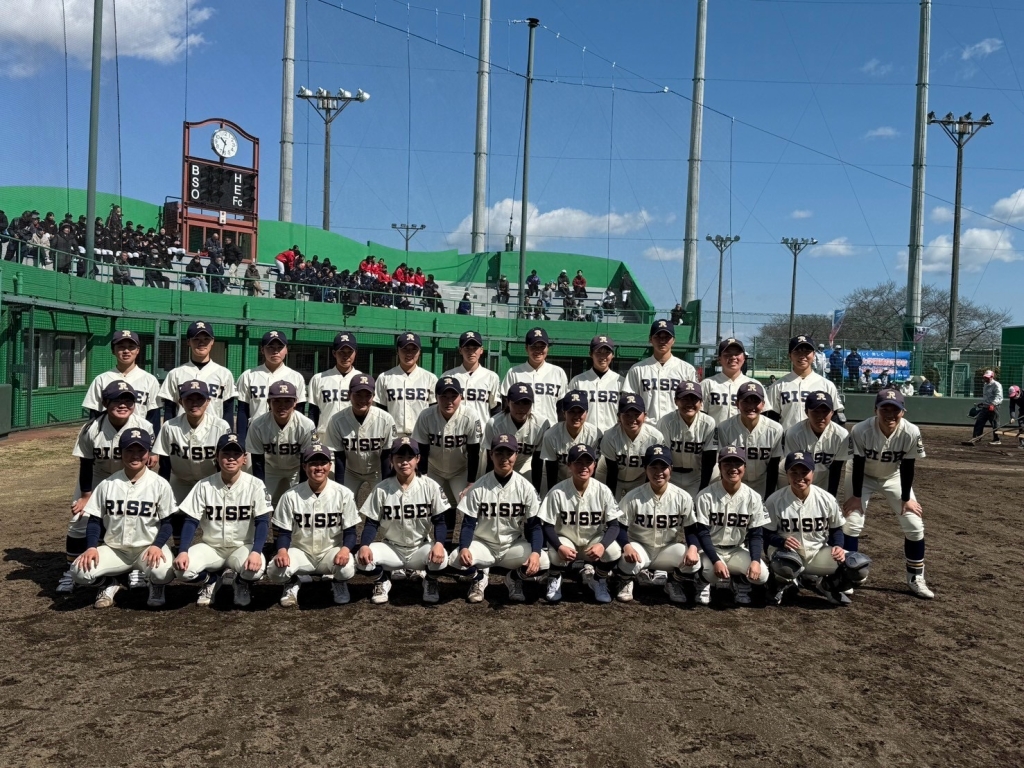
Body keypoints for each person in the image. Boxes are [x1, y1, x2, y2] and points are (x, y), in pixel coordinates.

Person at [59, 382, 154, 594]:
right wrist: (86, 496)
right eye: (117, 400)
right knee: (79, 520)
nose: (123, 405)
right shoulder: (91, 428)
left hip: (129, 477)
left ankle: (135, 568)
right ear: (105, 402)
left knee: (134, 518)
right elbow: (85, 463)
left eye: (128, 400)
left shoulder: (144, 426)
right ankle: (71, 571)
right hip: (97, 477)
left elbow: (146, 459)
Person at [69, 429, 176, 609]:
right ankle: (109, 583)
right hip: (115, 549)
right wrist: (91, 547)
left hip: (147, 548)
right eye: (129, 450)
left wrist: (157, 545)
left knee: (163, 572)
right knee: (79, 572)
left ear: (148, 453)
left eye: (140, 450)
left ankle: (156, 585)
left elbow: (168, 522)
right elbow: (94, 521)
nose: (135, 455)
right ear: (120, 452)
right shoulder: (107, 484)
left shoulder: (160, 484)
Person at [843, 389, 932, 599]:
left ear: (903, 412)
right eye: (885, 409)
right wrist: (856, 497)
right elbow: (858, 464)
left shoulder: (911, 431)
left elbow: (908, 466)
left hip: (894, 476)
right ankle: (849, 574)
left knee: (914, 524)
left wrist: (906, 499)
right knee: (852, 521)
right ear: (876, 410)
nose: (890, 414)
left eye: (895, 410)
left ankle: (915, 577)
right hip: (862, 476)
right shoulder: (861, 429)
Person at [174, 433, 273, 608]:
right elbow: (191, 521)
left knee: (255, 570)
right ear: (217, 456)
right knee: (182, 571)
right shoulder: (203, 485)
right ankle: (211, 580)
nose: (231, 458)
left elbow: (263, 521)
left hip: (242, 546)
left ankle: (241, 583)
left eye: (236, 454)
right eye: (226, 454)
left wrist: (256, 551)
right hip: (211, 547)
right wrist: (183, 551)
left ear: (244, 458)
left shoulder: (255, 485)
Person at [448, 433, 548, 603]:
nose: (504, 458)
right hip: (483, 544)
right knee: (454, 559)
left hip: (512, 545)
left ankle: (514, 578)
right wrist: (464, 547)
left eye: (509, 453)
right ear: (491, 455)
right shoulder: (479, 486)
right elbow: (468, 524)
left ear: (516, 455)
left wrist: (535, 553)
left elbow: (535, 526)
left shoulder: (526, 487)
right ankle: (479, 578)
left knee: (543, 560)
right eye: (499, 453)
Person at [765, 452, 869, 606]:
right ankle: (777, 585)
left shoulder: (826, 498)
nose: (799, 477)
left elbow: (836, 529)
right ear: (786, 474)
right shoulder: (775, 500)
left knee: (858, 568)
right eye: (794, 472)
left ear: (813, 473)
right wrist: (781, 541)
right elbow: (766, 533)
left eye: (804, 472)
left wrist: (838, 546)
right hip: (786, 554)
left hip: (817, 552)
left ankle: (828, 586)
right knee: (785, 565)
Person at [355, 437, 450, 605]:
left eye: (409, 457)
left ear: (418, 459)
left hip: (420, 546)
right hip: (391, 548)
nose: (404, 462)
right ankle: (382, 581)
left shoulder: (430, 486)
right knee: (361, 559)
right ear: (391, 460)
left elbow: (440, 522)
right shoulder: (382, 488)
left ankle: (430, 581)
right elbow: (371, 523)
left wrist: (439, 543)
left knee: (442, 559)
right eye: (399, 457)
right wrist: (364, 545)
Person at [267, 443, 361, 607]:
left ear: (330, 466)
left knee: (346, 568)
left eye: (323, 463)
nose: (318, 468)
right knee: (275, 570)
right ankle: (291, 582)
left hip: (330, 552)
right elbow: (284, 532)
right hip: (300, 551)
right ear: (304, 466)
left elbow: (350, 531)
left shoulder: (343, 493)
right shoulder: (290, 496)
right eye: (313, 463)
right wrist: (282, 551)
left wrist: (345, 550)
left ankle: (339, 582)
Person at [614, 444, 700, 604]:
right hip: (640, 547)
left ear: (671, 469)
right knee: (626, 558)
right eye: (653, 467)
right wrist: (627, 546)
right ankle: (626, 580)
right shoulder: (633, 496)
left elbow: (691, 529)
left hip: (667, 548)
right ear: (645, 469)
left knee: (694, 563)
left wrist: (693, 548)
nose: (658, 472)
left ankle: (673, 582)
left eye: (663, 467)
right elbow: (620, 527)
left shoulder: (683, 497)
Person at [538, 443, 623, 604]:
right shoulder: (557, 491)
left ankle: (599, 579)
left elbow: (614, 525)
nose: (584, 467)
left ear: (594, 465)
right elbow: (547, 525)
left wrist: (602, 545)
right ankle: (555, 577)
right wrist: (559, 546)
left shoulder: (603, 490)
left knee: (614, 551)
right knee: (555, 553)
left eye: (588, 462)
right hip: (566, 540)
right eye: (578, 462)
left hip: (592, 541)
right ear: (569, 465)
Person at [689, 446, 769, 606]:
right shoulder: (705, 496)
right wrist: (715, 560)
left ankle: (739, 581)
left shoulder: (753, 497)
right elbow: (702, 533)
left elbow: (756, 534)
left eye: (737, 464)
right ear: (719, 467)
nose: (733, 468)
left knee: (762, 576)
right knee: (711, 573)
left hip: (736, 549)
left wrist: (755, 560)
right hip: (710, 549)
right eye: (727, 464)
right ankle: (702, 582)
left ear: (744, 467)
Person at [412, 376, 483, 522]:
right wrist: (423, 478)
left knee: (468, 507)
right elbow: (422, 451)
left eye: (453, 396)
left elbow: (474, 453)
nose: (449, 401)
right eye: (444, 396)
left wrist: (471, 483)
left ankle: (470, 537)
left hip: (460, 470)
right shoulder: (426, 416)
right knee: (423, 507)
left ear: (461, 397)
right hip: (433, 469)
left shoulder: (470, 416)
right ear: (436, 397)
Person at [152, 380, 230, 504]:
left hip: (211, 481)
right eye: (189, 399)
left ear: (208, 401)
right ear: (180, 402)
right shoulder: (169, 427)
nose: (194, 404)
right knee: (170, 512)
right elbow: (164, 464)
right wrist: (163, 492)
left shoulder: (221, 426)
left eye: (199, 399)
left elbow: (224, 462)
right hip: (180, 481)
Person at [704, 381, 783, 500]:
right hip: (734, 483)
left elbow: (773, 466)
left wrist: (768, 497)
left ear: (763, 404)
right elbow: (724, 465)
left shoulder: (775, 429)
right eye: (746, 401)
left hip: (763, 483)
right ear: (737, 403)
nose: (750, 406)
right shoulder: (725, 427)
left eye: (755, 401)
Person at [326, 375, 397, 500]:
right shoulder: (337, 420)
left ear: (373, 396)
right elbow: (339, 456)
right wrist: (340, 487)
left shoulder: (385, 419)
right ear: (349, 395)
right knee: (343, 501)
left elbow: (387, 455)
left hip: (377, 470)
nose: (363, 400)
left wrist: (386, 483)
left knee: (384, 501)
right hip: (350, 471)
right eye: (358, 395)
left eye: (367, 395)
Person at [245, 381, 317, 506]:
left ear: (295, 403)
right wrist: (260, 489)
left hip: (296, 468)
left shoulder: (306, 424)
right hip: (269, 468)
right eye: (277, 401)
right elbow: (257, 461)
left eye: (287, 401)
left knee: (301, 502)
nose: (282, 406)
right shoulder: (258, 425)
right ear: (269, 403)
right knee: (260, 502)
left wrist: (303, 488)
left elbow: (307, 459)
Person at [82, 329, 162, 435]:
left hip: (138, 439)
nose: (126, 351)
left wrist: (152, 443)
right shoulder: (101, 380)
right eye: (121, 347)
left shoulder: (150, 380)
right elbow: (94, 417)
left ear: (138, 350)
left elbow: (154, 417)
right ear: (113, 350)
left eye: (131, 347)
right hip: (107, 437)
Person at [234, 330, 307, 444]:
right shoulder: (248, 376)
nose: (275, 351)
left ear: (286, 350)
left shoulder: (296, 377)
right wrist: (242, 441)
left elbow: (299, 411)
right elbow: (242, 411)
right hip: (255, 435)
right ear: (262, 350)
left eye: (280, 347)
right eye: (270, 347)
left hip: (287, 436)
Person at [157, 321, 237, 423]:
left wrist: (227, 433)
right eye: (196, 339)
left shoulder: (224, 374)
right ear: (188, 342)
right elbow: (169, 411)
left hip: (214, 430)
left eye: (206, 339)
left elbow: (228, 412)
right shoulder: (175, 374)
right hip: (182, 430)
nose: (201, 343)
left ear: (212, 341)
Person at [622, 319, 698, 424]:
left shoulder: (687, 369)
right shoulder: (637, 369)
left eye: (667, 337)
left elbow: (696, 403)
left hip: (677, 427)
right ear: (650, 339)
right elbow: (628, 403)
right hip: (647, 428)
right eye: (657, 336)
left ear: (673, 340)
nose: (662, 341)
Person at [764, 334, 845, 431]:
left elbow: (835, 418)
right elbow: (771, 420)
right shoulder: (777, 386)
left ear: (814, 355)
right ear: (790, 356)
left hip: (819, 439)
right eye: (797, 352)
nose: (802, 356)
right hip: (787, 438)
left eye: (807, 352)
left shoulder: (827, 385)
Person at [483, 383, 550, 492]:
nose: (521, 408)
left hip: (526, 465)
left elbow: (537, 463)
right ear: (508, 402)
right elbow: (490, 461)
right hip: (500, 466)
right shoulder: (494, 423)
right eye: (517, 403)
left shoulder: (541, 424)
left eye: (526, 403)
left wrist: (536, 491)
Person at [656, 381, 716, 500]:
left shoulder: (708, 423)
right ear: (676, 401)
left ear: (701, 402)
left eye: (694, 399)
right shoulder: (666, 422)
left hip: (696, 476)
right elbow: (662, 456)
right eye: (684, 399)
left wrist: (702, 488)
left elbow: (709, 460)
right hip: (671, 475)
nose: (689, 404)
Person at [782, 391, 848, 498]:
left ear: (832, 412)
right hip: (798, 475)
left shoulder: (841, 435)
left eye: (825, 411)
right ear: (806, 412)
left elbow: (836, 470)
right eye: (815, 411)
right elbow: (793, 469)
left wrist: (831, 498)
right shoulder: (794, 433)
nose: (820, 416)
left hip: (825, 477)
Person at [601, 393, 665, 501]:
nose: (632, 419)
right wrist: (611, 501)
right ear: (619, 417)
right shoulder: (610, 436)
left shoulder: (655, 437)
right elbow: (612, 472)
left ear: (645, 416)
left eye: (636, 414)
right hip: (614, 477)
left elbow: (652, 471)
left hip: (640, 478)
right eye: (627, 414)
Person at [500, 327, 568, 428]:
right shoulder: (514, 372)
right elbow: (506, 406)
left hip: (551, 430)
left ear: (547, 348)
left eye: (542, 346)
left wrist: (560, 430)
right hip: (520, 430)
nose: (538, 350)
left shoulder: (558, 372)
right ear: (526, 348)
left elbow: (562, 408)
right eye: (533, 346)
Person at [375, 332, 438, 439]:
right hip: (393, 436)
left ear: (419, 352)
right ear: (397, 351)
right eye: (405, 349)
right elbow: (380, 412)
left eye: (414, 349)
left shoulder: (430, 378)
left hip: (421, 436)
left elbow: (434, 411)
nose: (409, 353)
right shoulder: (384, 377)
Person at [541, 390, 602, 489]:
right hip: (559, 480)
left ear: (586, 412)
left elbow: (592, 468)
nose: (576, 416)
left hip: (584, 481)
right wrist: (553, 492)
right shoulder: (551, 435)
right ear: (564, 413)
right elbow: (551, 470)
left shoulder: (595, 435)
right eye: (571, 411)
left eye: (580, 412)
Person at [307, 332, 363, 440]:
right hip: (325, 436)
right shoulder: (319, 378)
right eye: (341, 352)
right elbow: (313, 412)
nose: (346, 356)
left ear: (355, 353)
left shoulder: (362, 379)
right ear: (334, 353)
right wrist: (312, 436)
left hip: (353, 435)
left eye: (350, 352)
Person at [441, 331, 502, 430]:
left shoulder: (491, 377)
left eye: (475, 348)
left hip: (482, 432)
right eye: (467, 348)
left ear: (481, 350)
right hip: (454, 431)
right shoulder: (448, 376)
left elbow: (495, 410)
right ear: (460, 350)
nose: (471, 352)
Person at [568, 335, 623, 434]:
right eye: (598, 352)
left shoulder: (621, 381)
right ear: (591, 354)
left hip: (614, 436)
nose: (602, 356)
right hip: (585, 436)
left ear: (612, 355)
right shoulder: (578, 381)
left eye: (607, 352)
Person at [700, 337, 755, 425]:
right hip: (715, 433)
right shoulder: (707, 384)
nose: (733, 357)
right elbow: (700, 417)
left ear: (744, 358)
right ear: (719, 359)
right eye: (727, 354)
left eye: (737, 354)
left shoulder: (754, 385)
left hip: (744, 433)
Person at [965, 369, 1004, 446]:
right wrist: (983, 403)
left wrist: (993, 404)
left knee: (995, 424)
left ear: (992, 377)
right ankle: (976, 438)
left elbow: (999, 397)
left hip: (993, 407)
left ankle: (997, 439)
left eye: (987, 377)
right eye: (985, 377)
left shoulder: (997, 385)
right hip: (985, 407)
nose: (985, 378)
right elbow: (987, 397)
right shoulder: (985, 385)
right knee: (979, 422)